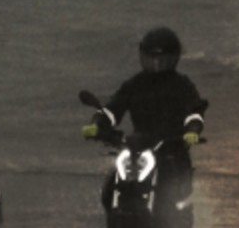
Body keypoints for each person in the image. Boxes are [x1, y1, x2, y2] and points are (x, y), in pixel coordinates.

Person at [83, 27, 207, 225]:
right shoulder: (135, 84)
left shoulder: (181, 85)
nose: (156, 63)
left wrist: (192, 130)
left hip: (171, 150)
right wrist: (98, 124)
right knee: (112, 186)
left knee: (169, 195)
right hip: (138, 149)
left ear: (173, 58)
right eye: (150, 57)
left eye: (161, 58)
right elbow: (113, 109)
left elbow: (194, 112)